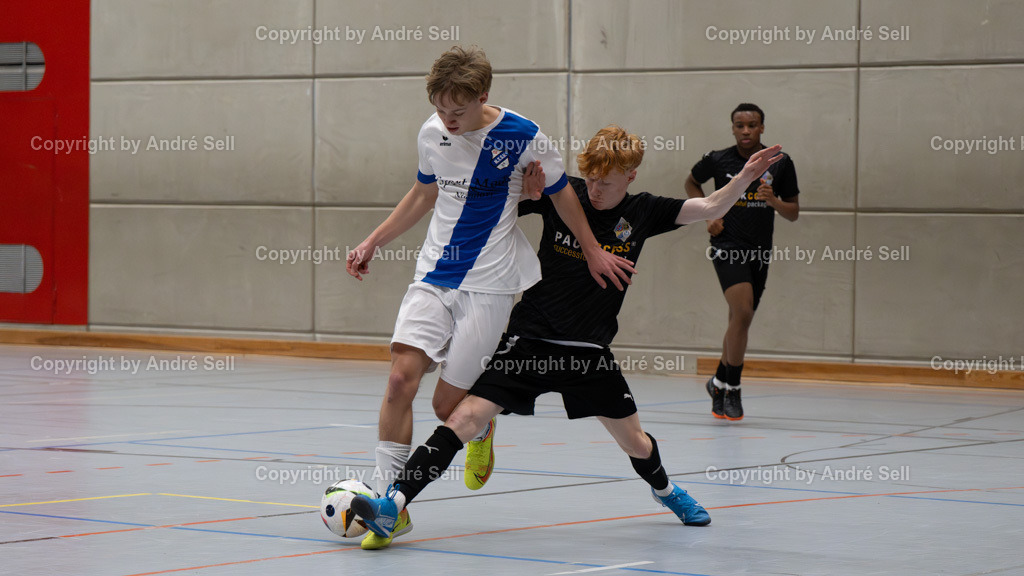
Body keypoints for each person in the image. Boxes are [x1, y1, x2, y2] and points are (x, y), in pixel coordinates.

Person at [350, 126, 784, 547]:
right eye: (591, 179)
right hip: (530, 341)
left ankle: (667, 491)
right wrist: (529, 194)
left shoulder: (644, 211)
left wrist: (744, 177)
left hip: (589, 352)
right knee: (461, 419)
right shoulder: (567, 194)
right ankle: (394, 503)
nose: (595, 190)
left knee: (634, 441)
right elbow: (492, 209)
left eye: (606, 183)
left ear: (630, 177)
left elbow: (708, 207)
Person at [345, 46, 634, 550]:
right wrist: (373, 241)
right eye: (439, 109)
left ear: (484, 96)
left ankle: (480, 433)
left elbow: (564, 194)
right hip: (435, 274)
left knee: (446, 406)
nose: (447, 120)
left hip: (492, 283)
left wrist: (591, 250)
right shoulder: (431, 132)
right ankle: (387, 501)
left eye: (457, 111)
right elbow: (423, 193)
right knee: (398, 380)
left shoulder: (523, 135)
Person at [684, 103, 800, 421]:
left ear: (762, 128)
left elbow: (793, 212)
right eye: (739, 125)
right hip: (726, 245)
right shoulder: (718, 159)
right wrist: (710, 214)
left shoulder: (781, 163)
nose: (746, 130)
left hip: (759, 250)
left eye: (752, 125)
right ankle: (732, 387)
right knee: (743, 311)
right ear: (732, 128)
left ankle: (718, 381)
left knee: (740, 320)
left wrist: (773, 200)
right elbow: (691, 182)